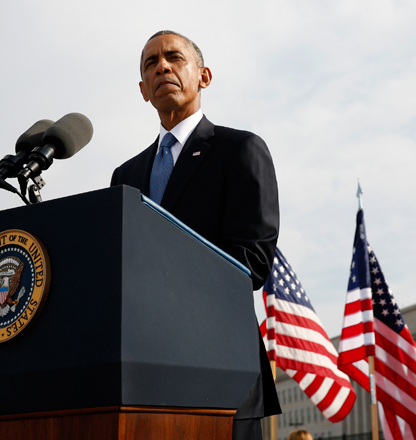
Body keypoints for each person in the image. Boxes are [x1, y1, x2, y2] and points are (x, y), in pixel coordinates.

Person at [110, 30, 281, 440]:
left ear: (204, 75)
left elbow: (252, 262)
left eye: (173, 58)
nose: (162, 67)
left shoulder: (239, 149)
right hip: (140, 377)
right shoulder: (125, 177)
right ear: (143, 90)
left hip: (219, 371)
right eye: (150, 63)